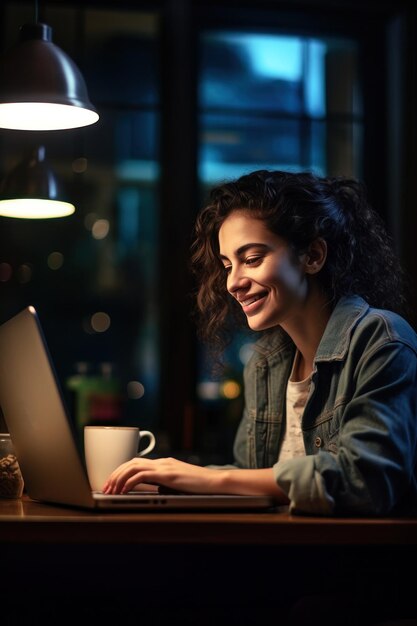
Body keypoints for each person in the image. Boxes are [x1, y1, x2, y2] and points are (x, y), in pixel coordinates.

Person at [104, 169, 417, 517]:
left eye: (251, 259)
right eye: (227, 265)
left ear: (313, 256)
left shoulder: (381, 340)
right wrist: (171, 480)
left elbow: (367, 481)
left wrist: (208, 480)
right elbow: (253, 481)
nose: (233, 283)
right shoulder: (265, 361)